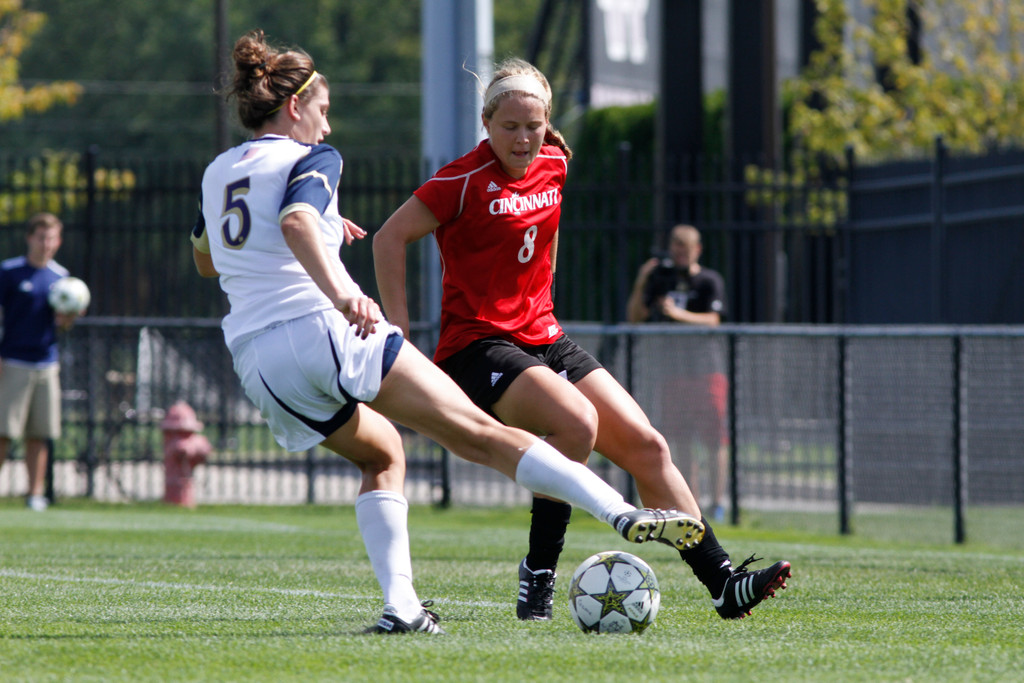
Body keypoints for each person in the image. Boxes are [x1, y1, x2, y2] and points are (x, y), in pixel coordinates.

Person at [191, 30, 704, 636]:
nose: (326, 127)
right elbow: (297, 221)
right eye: (322, 111)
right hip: (325, 329)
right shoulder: (314, 158)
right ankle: (619, 513)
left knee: (383, 454)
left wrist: (324, 226)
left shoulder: (219, 171)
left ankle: (403, 609)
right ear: (295, 105)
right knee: (484, 438)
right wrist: (343, 290)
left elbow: (209, 259)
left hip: (259, 361)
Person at [373, 57, 790, 622]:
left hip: (545, 336)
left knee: (648, 447)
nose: (523, 139)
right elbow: (389, 238)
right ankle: (539, 574)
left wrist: (541, 294)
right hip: (479, 345)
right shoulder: (461, 180)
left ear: (548, 124)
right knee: (576, 423)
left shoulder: (554, 162)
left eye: (534, 125)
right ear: (486, 123)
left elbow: (543, 238)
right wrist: (399, 332)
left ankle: (723, 583)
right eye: (509, 126)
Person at [626, 224, 730, 522]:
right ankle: (691, 505)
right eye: (675, 248)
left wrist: (677, 314)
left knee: (714, 439)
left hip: (706, 371)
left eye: (685, 249)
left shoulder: (709, 280)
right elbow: (634, 317)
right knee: (681, 440)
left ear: (697, 250)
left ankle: (718, 504)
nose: (679, 254)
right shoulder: (662, 279)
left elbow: (714, 320)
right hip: (673, 372)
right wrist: (642, 281)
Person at [0, 212, 82, 511]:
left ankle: (34, 494)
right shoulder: (10, 272)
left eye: (51, 238)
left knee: (39, 434)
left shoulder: (61, 278)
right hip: (13, 361)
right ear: (29, 238)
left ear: (58, 242)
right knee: (3, 432)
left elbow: (61, 324)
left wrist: (69, 317)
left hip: (46, 364)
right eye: (41, 237)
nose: (46, 244)